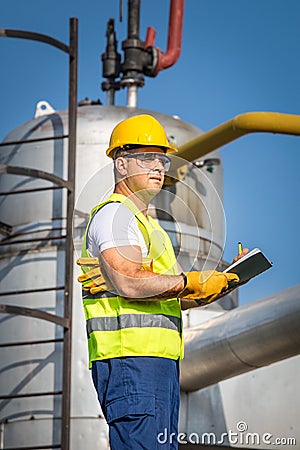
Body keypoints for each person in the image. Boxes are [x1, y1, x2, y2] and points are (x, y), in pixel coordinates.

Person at [77, 114, 243, 449]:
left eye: (162, 159)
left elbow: (166, 293)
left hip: (154, 364)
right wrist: (186, 280)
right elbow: (129, 282)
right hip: (131, 362)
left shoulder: (144, 225)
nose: (158, 166)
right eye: (147, 157)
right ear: (121, 164)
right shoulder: (114, 214)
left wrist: (217, 283)